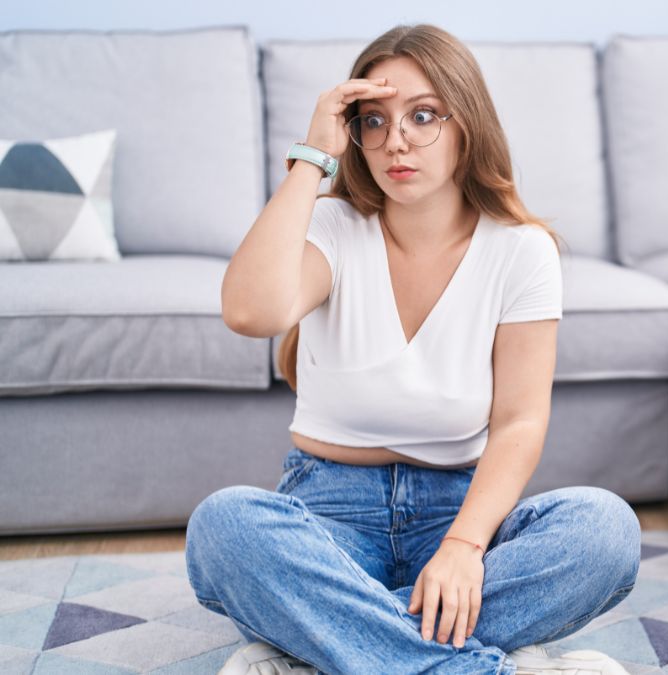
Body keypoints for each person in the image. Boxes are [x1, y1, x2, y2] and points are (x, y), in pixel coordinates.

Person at [184, 23, 641, 675]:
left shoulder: (521, 250)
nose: (395, 140)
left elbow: (520, 421)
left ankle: (326, 645)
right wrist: (311, 158)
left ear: (467, 123)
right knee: (224, 526)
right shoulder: (333, 229)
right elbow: (249, 311)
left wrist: (463, 544)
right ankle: (472, 663)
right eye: (372, 121)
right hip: (328, 512)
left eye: (423, 116)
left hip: (459, 510)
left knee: (605, 529)